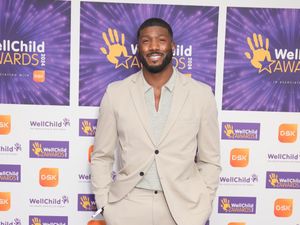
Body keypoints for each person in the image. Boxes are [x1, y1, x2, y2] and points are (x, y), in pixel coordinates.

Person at [91, 17, 221, 225]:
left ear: (172, 46)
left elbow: (209, 160)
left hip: (183, 208)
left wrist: (203, 204)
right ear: (138, 48)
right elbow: (101, 156)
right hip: (128, 206)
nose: (153, 47)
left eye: (161, 40)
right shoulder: (116, 93)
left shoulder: (201, 95)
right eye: (146, 41)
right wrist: (105, 203)